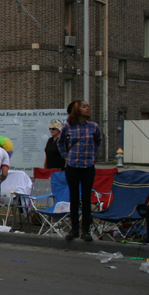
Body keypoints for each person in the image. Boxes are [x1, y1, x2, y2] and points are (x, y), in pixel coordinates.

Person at [58, 100, 102, 241]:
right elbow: (60, 142)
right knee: (74, 197)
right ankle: (74, 229)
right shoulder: (68, 127)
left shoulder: (93, 126)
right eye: (84, 107)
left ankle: (86, 230)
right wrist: (66, 157)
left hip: (88, 166)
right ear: (77, 110)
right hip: (72, 165)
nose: (87, 108)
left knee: (86, 197)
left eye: (88, 106)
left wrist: (93, 155)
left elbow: (98, 141)